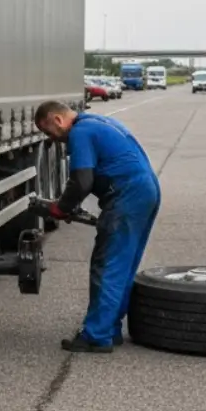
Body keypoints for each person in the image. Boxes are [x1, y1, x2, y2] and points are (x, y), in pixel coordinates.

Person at [33, 101, 161, 353]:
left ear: (58, 120)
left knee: (108, 264)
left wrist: (60, 208)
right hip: (145, 190)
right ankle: (110, 328)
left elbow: (81, 181)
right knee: (123, 264)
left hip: (126, 196)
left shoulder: (80, 133)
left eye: (49, 132)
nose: (53, 140)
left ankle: (96, 335)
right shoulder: (99, 122)